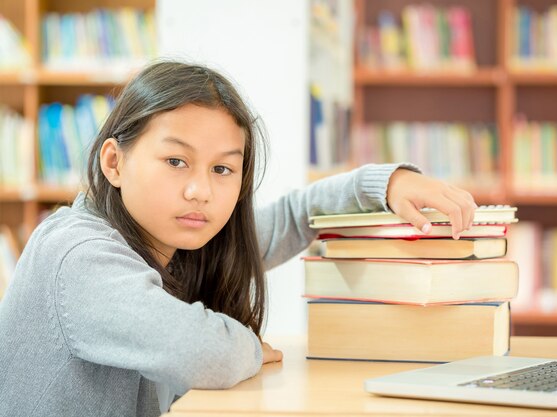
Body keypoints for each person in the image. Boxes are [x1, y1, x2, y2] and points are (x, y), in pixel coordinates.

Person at [0, 61, 476, 417]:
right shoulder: (77, 253)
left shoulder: (182, 243)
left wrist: (385, 183)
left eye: (223, 168)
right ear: (114, 163)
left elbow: (294, 217)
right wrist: (246, 344)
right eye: (176, 161)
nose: (200, 190)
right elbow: (198, 352)